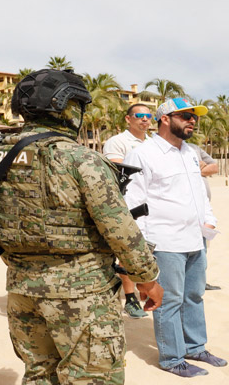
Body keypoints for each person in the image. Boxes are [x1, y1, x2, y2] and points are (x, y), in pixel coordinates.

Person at [0, 69, 163, 384]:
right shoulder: (81, 159)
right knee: (93, 378)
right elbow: (121, 230)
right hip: (81, 295)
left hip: (22, 288)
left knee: (40, 375)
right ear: (68, 107)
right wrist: (147, 279)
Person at [124, 97, 225, 378]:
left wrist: (210, 220)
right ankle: (171, 358)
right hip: (165, 242)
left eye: (195, 117)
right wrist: (143, 248)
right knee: (169, 300)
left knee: (194, 295)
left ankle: (195, 347)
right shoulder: (143, 154)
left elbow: (198, 193)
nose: (193, 121)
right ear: (165, 118)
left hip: (196, 238)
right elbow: (133, 204)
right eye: (186, 116)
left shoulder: (191, 152)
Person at [102, 103, 153, 318]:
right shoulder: (117, 141)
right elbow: (118, 169)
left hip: (150, 202)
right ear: (128, 119)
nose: (145, 119)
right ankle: (130, 298)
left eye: (148, 116)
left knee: (147, 249)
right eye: (140, 115)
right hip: (126, 203)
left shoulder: (152, 143)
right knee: (127, 249)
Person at [187, 143, 221, 291]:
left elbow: (215, 167)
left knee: (202, 250)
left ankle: (200, 281)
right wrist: (197, 168)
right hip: (184, 211)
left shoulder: (194, 148)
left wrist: (198, 169)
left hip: (204, 211)